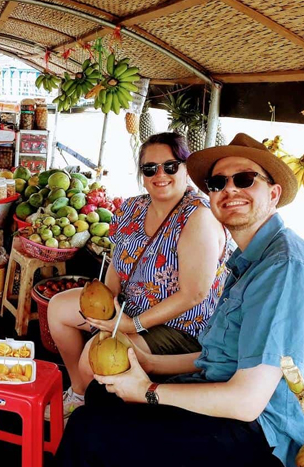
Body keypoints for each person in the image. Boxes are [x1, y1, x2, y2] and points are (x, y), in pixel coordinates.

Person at [55, 133, 304, 467]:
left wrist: (148, 390)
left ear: (273, 194)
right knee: (101, 397)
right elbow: (226, 358)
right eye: (218, 182)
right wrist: (152, 365)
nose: (230, 190)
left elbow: (246, 401)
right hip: (237, 401)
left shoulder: (286, 269)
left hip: (275, 433)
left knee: (91, 429)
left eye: (245, 180)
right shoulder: (249, 262)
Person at [46, 132, 231, 419]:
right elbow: (118, 264)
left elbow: (194, 293)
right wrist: (108, 308)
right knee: (59, 308)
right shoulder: (133, 208)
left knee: (91, 358)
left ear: (186, 170)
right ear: (141, 174)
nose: (161, 175)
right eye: (150, 168)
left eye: (171, 166)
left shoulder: (198, 217)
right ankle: (78, 392)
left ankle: (84, 406)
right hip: (130, 308)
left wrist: (132, 325)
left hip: (180, 325)